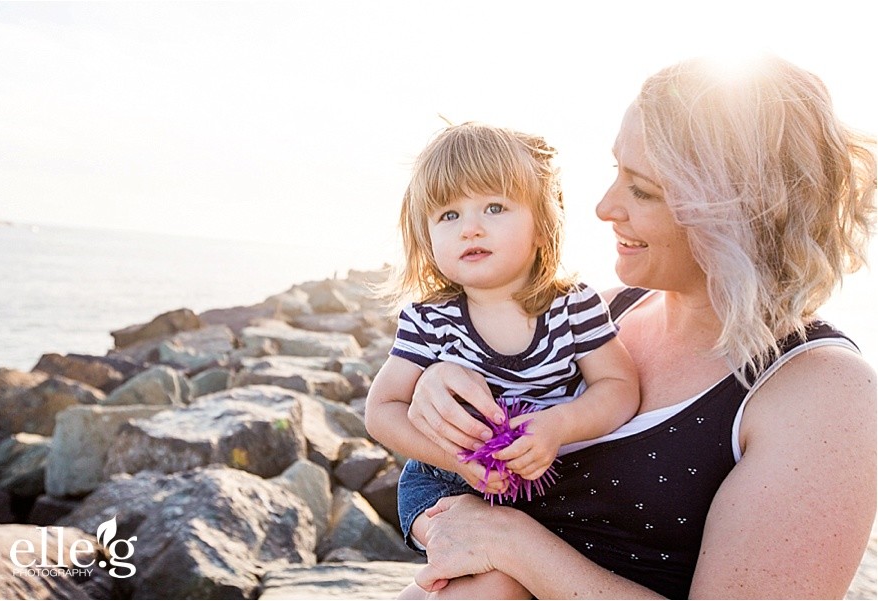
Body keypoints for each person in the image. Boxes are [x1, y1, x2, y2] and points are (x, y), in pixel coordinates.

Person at [402, 55, 877, 599]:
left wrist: (513, 544)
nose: (606, 208)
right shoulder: (600, 315)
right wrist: (439, 385)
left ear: (739, 211)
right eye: (615, 173)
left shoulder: (825, 393)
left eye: (643, 190)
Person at [364, 122, 640, 598]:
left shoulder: (572, 306)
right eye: (448, 215)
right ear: (426, 238)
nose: (470, 226)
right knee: (486, 581)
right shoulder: (431, 318)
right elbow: (381, 409)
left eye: (494, 207)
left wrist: (558, 426)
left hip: (549, 487)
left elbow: (619, 387)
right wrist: (457, 459)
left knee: (517, 574)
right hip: (442, 483)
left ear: (541, 227)